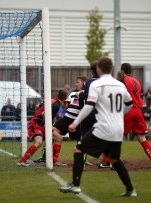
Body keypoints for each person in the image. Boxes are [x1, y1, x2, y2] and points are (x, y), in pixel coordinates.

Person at [59, 56, 137, 197]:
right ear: (112, 69)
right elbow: (130, 103)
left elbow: (89, 106)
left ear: (98, 69)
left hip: (103, 127)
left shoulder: (96, 85)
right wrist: (120, 114)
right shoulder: (120, 84)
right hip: (118, 128)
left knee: (79, 149)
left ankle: (76, 185)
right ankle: (130, 189)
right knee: (114, 159)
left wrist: (75, 123)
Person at [120, 63, 151, 169]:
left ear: (122, 71)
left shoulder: (123, 81)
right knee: (142, 137)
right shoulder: (137, 81)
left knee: (116, 135)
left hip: (128, 109)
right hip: (138, 111)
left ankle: (107, 161)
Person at [17, 88, 68, 166]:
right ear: (65, 100)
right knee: (39, 142)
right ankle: (22, 161)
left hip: (41, 124)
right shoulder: (56, 105)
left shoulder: (52, 100)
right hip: (36, 124)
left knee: (59, 138)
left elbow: (37, 106)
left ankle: (54, 161)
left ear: (57, 95)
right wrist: (48, 126)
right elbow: (44, 114)